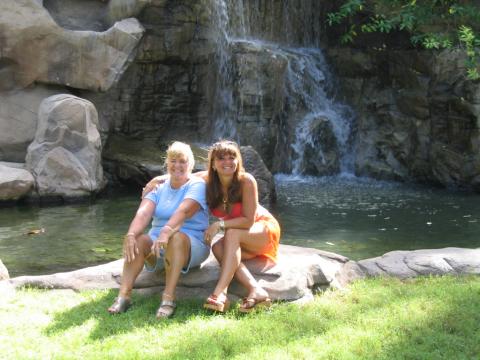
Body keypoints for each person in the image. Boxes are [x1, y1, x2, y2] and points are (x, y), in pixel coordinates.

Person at [143, 140, 281, 313]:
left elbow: (248, 221)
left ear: (238, 161)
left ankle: (219, 293)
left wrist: (219, 225)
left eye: (232, 157)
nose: (227, 162)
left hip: (262, 228)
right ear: (213, 164)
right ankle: (256, 290)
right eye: (221, 158)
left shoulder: (246, 181)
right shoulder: (206, 179)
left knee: (231, 234)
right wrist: (153, 182)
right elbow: (179, 174)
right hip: (238, 233)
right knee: (218, 248)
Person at [108, 141, 209, 319]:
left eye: (182, 161)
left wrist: (166, 232)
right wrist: (131, 234)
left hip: (191, 244)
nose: (177, 165)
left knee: (176, 237)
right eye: (173, 160)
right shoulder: (158, 186)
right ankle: (124, 296)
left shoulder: (197, 185)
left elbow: (184, 211)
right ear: (167, 163)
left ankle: (168, 298)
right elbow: (143, 212)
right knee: (138, 240)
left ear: (191, 164)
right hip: (158, 245)